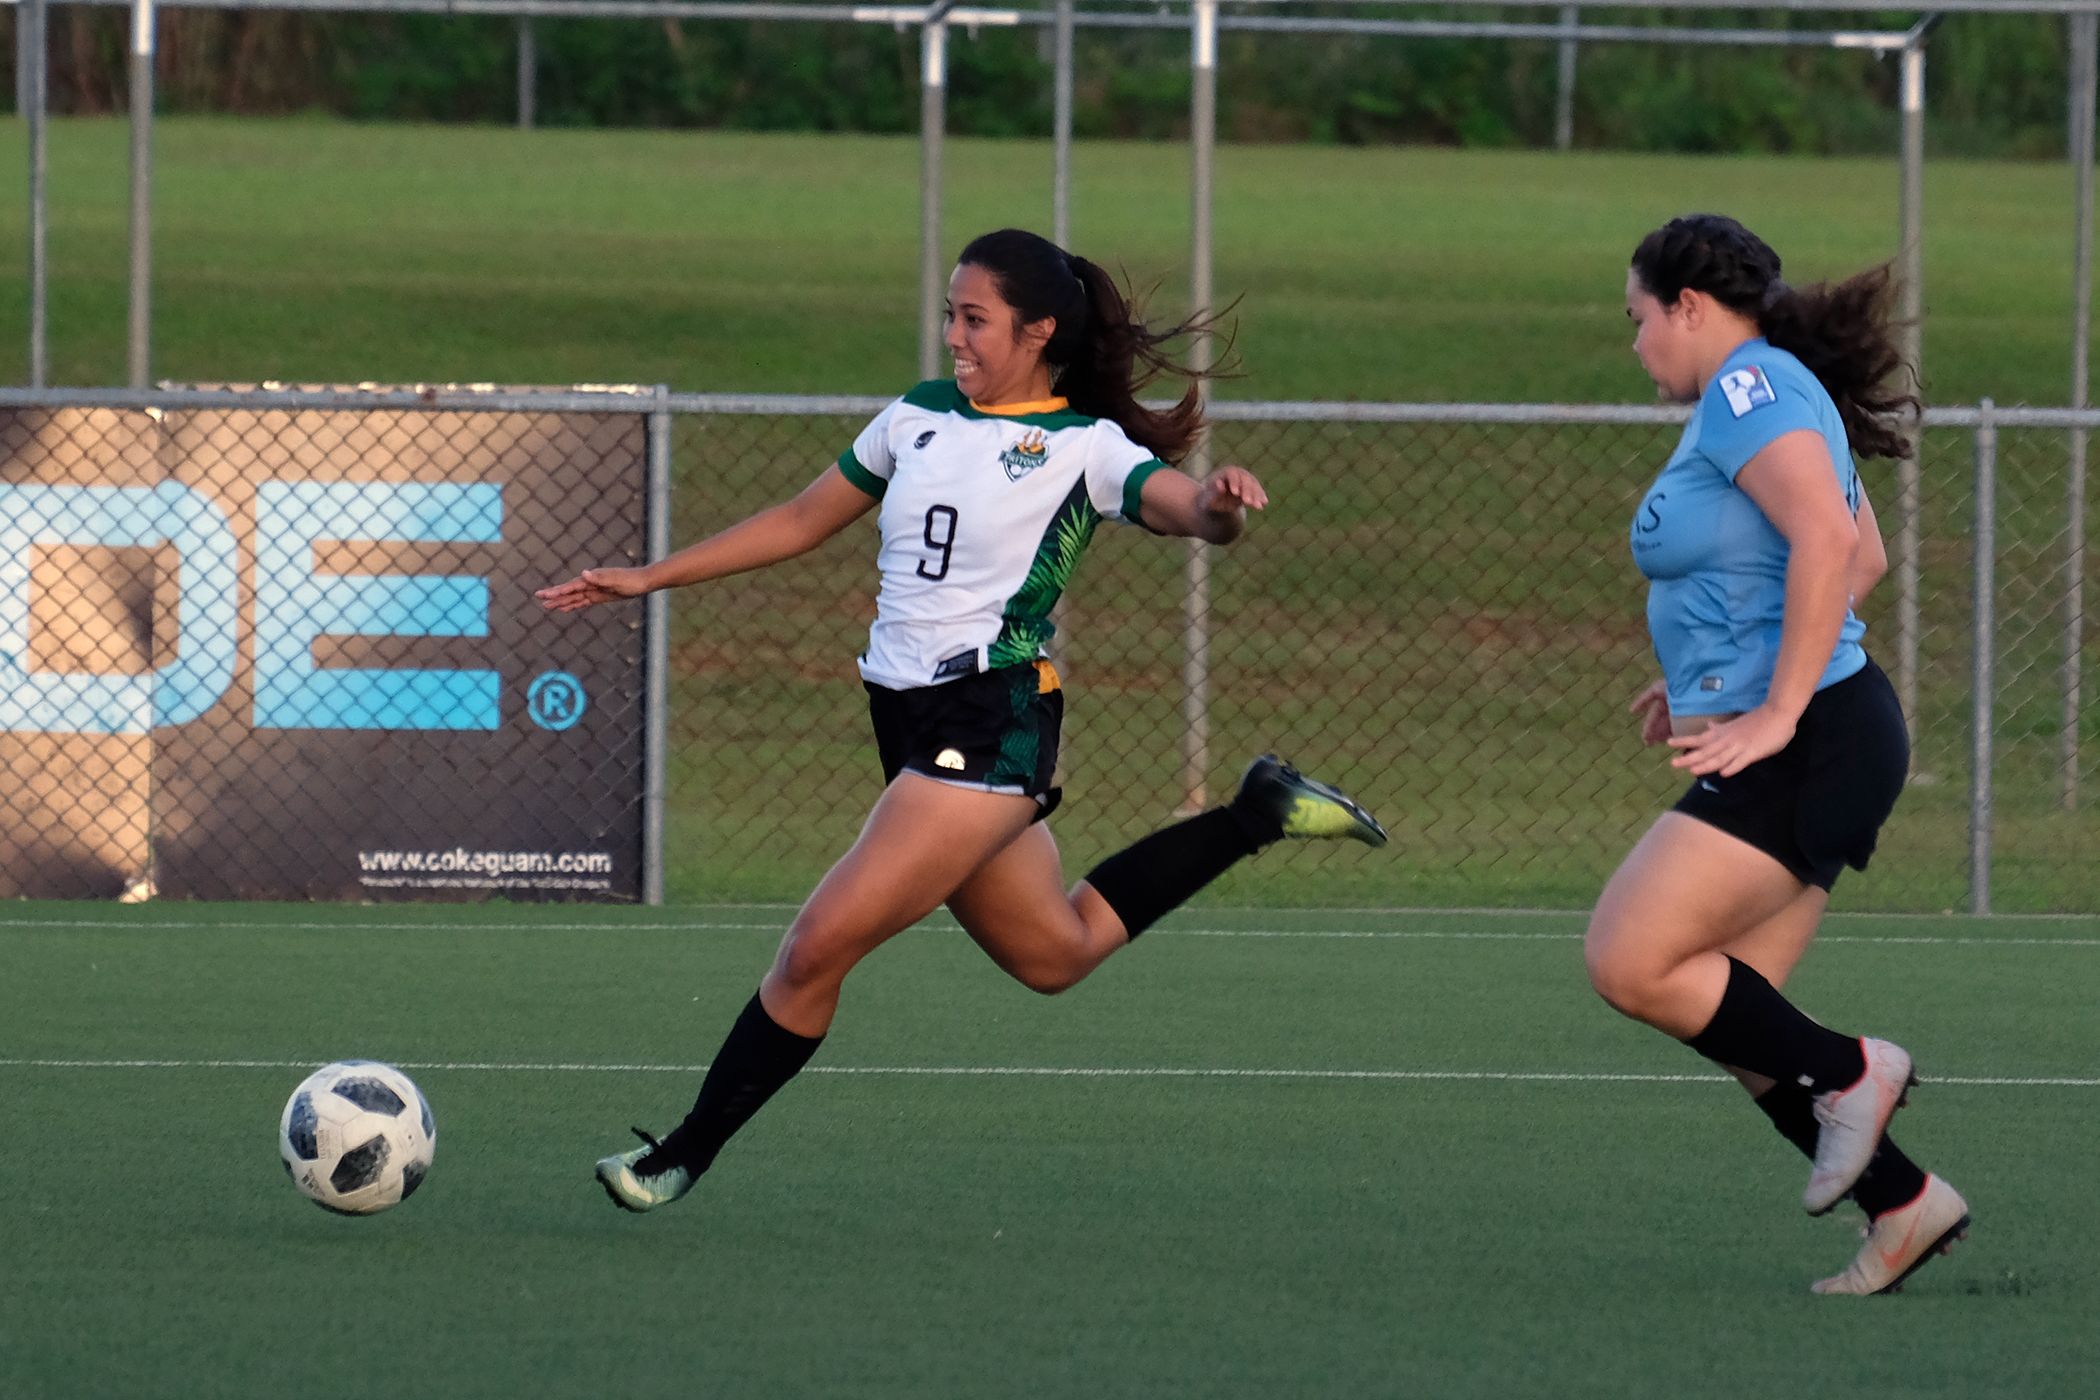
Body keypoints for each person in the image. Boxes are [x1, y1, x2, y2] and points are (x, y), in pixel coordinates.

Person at [537, 227, 1386, 1214]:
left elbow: (1186, 508)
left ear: (1038, 332)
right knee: (1054, 953)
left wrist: (1224, 506)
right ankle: (1257, 810)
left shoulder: (1085, 447)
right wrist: (651, 575)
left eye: (974, 318)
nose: (954, 335)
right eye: (951, 312)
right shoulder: (915, 418)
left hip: (993, 719)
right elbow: (802, 517)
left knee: (815, 947)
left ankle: (679, 1153)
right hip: (909, 721)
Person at [1584, 213, 1967, 1296]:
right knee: (1743, 1009)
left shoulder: (1752, 389)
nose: (1636, 344)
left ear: (1689, 308)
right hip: (1817, 728)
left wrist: (1780, 708)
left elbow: (1833, 542)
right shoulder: (1753, 395)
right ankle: (1902, 1204)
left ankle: (1860, 1068)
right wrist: (1721, 680)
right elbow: (1864, 548)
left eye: (1639, 319)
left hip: (1821, 736)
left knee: (1629, 956)